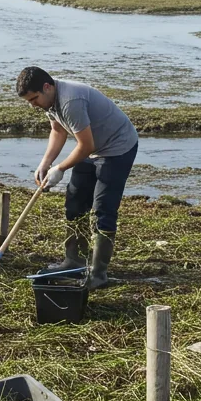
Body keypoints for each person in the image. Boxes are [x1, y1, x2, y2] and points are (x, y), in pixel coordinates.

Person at [17, 66, 139, 291]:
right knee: (75, 202)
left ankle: (99, 273)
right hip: (93, 148)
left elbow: (86, 145)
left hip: (117, 148)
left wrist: (61, 168)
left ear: (47, 87)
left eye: (34, 99)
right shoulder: (49, 100)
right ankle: (74, 260)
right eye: (29, 101)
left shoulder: (70, 101)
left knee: (102, 210)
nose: (33, 104)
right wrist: (46, 163)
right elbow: (58, 131)